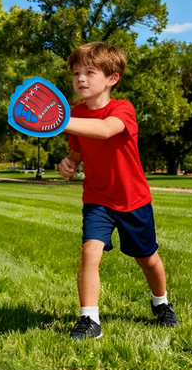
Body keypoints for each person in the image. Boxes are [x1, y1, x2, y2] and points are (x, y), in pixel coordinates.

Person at [58, 42, 177, 340]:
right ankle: (90, 320)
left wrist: (59, 122)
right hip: (97, 198)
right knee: (90, 253)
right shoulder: (74, 113)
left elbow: (106, 130)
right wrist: (70, 161)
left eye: (89, 72)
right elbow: (79, 149)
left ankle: (161, 304)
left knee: (147, 257)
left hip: (132, 199)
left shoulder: (121, 108)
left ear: (112, 78)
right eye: (76, 73)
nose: (80, 79)